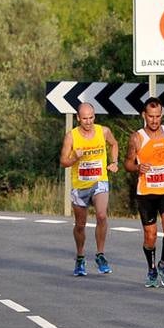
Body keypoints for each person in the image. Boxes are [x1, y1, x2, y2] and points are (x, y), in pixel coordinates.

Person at [123, 97, 164, 288]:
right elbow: (127, 163)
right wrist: (137, 167)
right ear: (144, 115)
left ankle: (163, 264)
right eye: (151, 116)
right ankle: (151, 269)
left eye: (158, 116)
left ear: (161, 115)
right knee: (150, 236)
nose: (155, 120)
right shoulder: (137, 138)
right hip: (146, 193)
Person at [58, 102, 118, 277]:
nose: (88, 121)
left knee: (101, 215)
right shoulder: (71, 136)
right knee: (80, 225)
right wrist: (74, 158)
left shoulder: (103, 131)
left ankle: (100, 255)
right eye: (85, 118)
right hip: (80, 186)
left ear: (94, 116)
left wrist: (114, 162)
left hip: (99, 181)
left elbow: (114, 144)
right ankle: (80, 256)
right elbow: (63, 162)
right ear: (78, 118)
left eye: (91, 117)